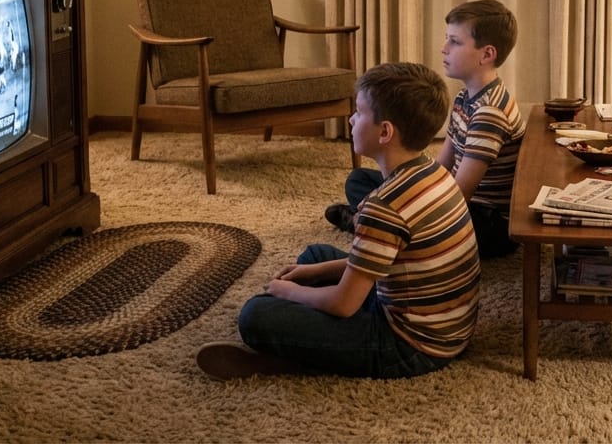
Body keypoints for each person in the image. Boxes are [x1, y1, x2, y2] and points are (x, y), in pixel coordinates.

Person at [196, 61, 481, 379]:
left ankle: (292, 361)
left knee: (255, 316)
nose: (351, 119)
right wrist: (312, 272)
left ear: (385, 132)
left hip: (410, 346)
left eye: (359, 113)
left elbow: (344, 304)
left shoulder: (384, 206)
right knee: (316, 257)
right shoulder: (434, 170)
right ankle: (313, 337)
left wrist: (287, 293)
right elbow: (384, 262)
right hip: (447, 324)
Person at [323, 0, 526, 259]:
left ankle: (370, 224)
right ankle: (373, 220)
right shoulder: (467, 97)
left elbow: (460, 193)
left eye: (454, 41)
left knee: (396, 200)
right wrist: (411, 188)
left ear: (486, 55)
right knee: (359, 180)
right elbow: (443, 163)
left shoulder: (490, 112)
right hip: (462, 203)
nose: (444, 49)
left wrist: (411, 198)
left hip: (487, 222)